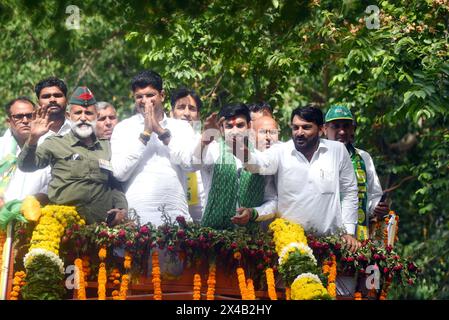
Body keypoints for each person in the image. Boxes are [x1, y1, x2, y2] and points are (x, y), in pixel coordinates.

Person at [244, 105, 360, 251]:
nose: (299, 133)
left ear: (321, 129)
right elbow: (258, 165)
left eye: (306, 127)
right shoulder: (280, 151)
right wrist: (239, 149)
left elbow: (349, 192)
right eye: (295, 128)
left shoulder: (337, 151)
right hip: (288, 245)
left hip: (331, 244)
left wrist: (349, 232)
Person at [17, 87, 127, 225]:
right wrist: (32, 139)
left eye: (88, 113)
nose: (83, 118)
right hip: (64, 230)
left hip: (101, 229)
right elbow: (25, 166)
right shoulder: (54, 143)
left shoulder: (107, 146)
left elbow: (114, 184)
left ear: (96, 116)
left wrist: (122, 209)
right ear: (69, 116)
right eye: (78, 113)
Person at [110, 71, 197, 226]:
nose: (145, 101)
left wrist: (161, 133)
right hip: (136, 222)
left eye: (150, 95)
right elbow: (119, 173)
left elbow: (190, 165)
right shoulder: (123, 128)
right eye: (139, 96)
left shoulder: (182, 128)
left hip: (177, 219)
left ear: (162, 95)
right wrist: (145, 134)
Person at [193, 103, 266, 230]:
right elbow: (194, 163)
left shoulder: (260, 156)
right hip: (213, 235)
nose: (234, 131)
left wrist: (251, 212)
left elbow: (271, 199)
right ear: (221, 129)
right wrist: (204, 140)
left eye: (240, 125)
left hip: (250, 239)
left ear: (249, 126)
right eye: (229, 126)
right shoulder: (212, 150)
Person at [324, 105, 389, 240]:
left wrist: (377, 207)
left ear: (352, 129)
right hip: (324, 237)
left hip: (358, 239)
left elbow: (374, 194)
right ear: (324, 129)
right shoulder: (317, 156)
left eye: (346, 126)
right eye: (336, 126)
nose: (342, 131)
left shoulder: (363, 157)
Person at [0, 97, 50, 204]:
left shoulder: (48, 146)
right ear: (8, 121)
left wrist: (27, 206)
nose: (25, 120)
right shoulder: (1, 146)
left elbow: (53, 183)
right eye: (18, 116)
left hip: (38, 213)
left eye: (29, 116)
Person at [169, 87, 205, 224]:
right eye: (181, 107)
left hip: (204, 223)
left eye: (192, 108)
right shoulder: (163, 143)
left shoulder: (206, 144)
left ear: (199, 115)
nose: (186, 113)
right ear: (171, 113)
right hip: (174, 221)